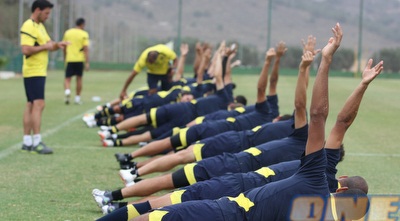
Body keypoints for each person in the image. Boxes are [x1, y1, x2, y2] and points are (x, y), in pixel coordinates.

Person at [94, 42, 382, 218]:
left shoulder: (315, 163)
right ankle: (121, 185)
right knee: (170, 185)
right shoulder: (318, 184)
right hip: (236, 179)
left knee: (167, 195)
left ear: (341, 180)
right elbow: (334, 122)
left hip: (236, 180)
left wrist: (311, 66)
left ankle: (118, 192)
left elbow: (325, 118)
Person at [97, 42, 245, 145]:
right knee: (133, 108)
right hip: (161, 100)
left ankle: (110, 131)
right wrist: (212, 56)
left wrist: (220, 57)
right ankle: (104, 120)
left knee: (147, 128)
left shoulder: (206, 93)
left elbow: (214, 73)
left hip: (178, 112)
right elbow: (197, 72)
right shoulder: (190, 86)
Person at [20, 0, 69, 154]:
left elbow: (49, 45)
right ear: (38, 10)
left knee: (30, 104)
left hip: (38, 71)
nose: (48, 16)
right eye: (46, 13)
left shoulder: (40, 27)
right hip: (33, 71)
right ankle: (37, 142)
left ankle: (27, 142)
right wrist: (46, 47)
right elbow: (26, 49)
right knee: (39, 104)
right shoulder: (28, 25)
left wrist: (58, 44)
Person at [62, 17, 90, 105]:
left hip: (69, 59)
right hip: (79, 59)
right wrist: (87, 62)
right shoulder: (84, 34)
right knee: (79, 78)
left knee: (67, 78)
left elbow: (64, 46)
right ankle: (77, 98)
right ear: (82, 24)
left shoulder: (68, 32)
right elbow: (85, 49)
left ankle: (67, 91)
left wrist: (65, 56)